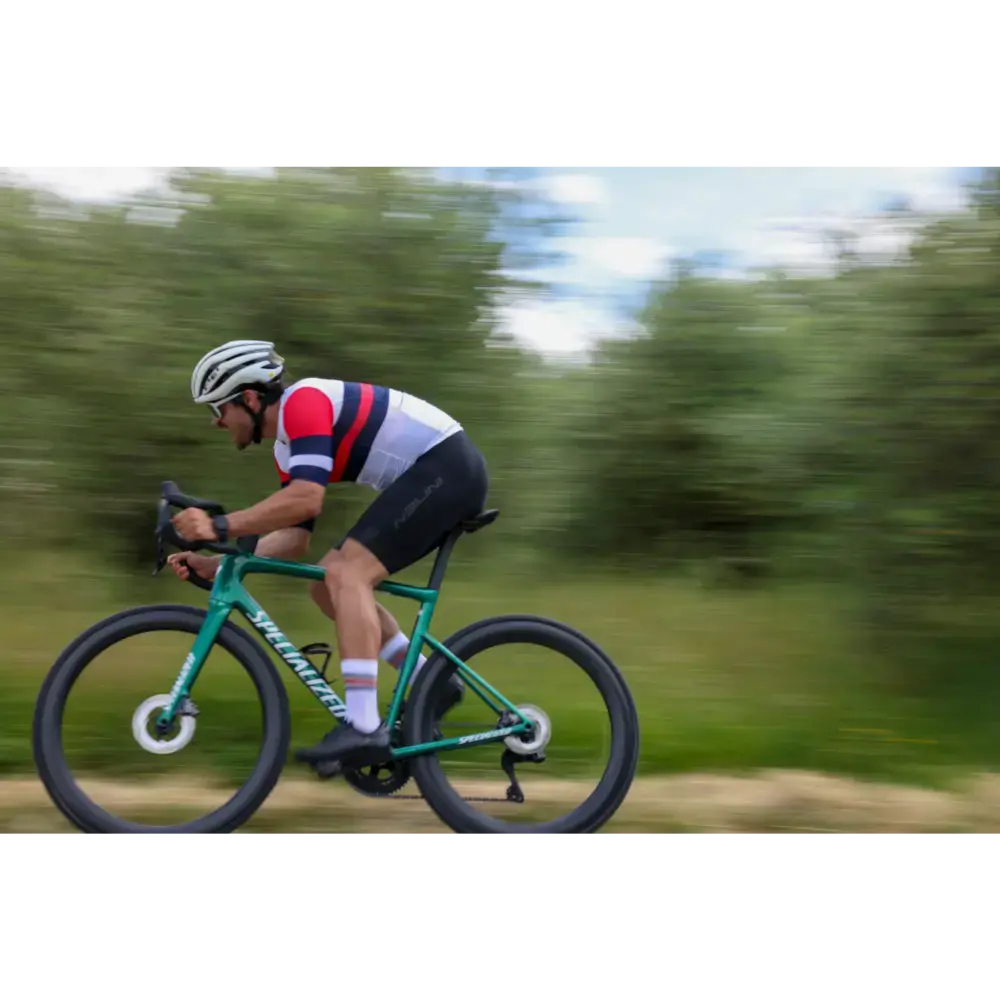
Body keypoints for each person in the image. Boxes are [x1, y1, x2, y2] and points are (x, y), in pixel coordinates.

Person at [166, 339, 489, 778]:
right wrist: (222, 564)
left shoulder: (305, 402)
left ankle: (364, 726)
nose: (216, 421)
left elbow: (307, 499)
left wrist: (217, 527)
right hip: (431, 476)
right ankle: (430, 681)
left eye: (218, 408)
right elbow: (294, 537)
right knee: (325, 585)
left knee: (346, 574)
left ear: (250, 399)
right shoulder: (286, 447)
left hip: (447, 469)